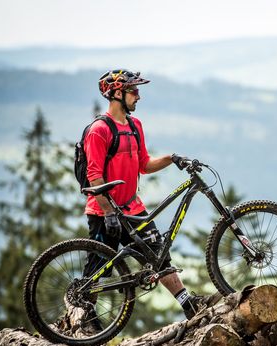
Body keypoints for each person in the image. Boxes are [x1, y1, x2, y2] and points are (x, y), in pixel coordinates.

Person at [83, 69, 216, 320]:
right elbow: (94, 175)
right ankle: (84, 316)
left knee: (159, 255)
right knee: (97, 270)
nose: (138, 96)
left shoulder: (135, 125)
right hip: (104, 211)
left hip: (132, 208)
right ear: (117, 93)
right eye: (133, 91)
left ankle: (188, 305)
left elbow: (144, 163)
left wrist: (172, 158)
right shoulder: (99, 130)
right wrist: (109, 213)